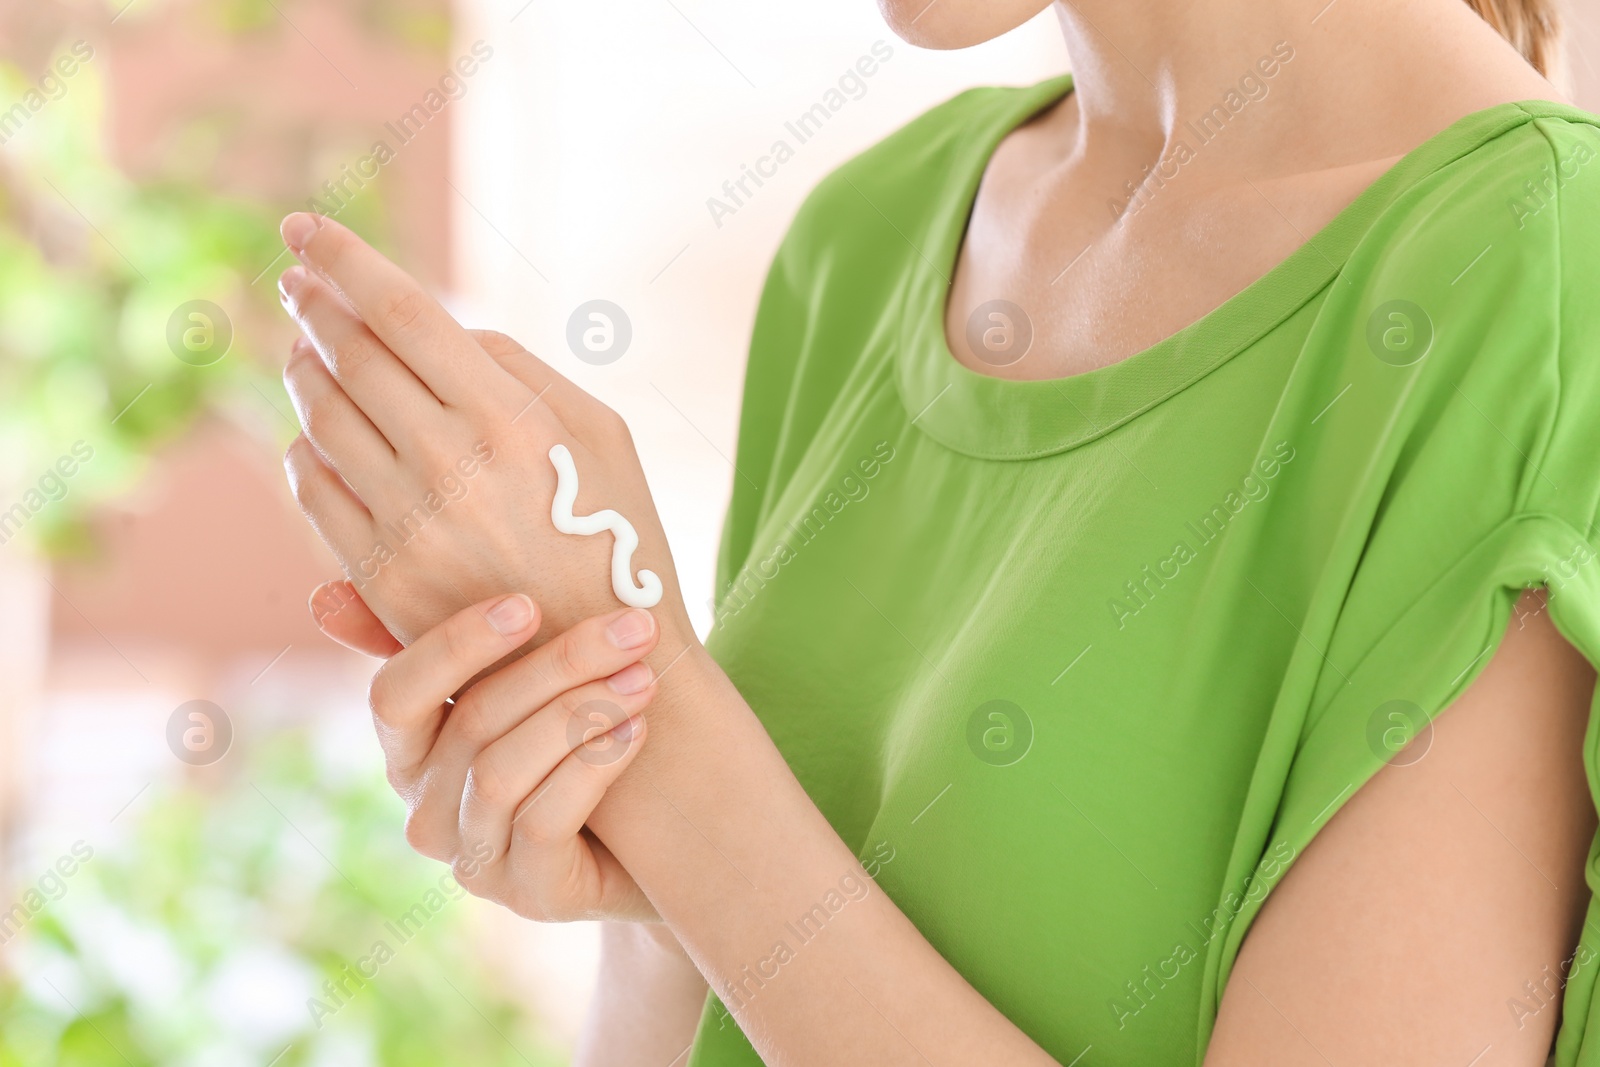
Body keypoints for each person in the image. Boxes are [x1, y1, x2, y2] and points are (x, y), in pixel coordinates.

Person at [277, 0, 1600, 1062]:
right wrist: (610, 790)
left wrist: (669, 742)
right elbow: (705, 1000)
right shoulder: (882, 230)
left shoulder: (1540, 292)